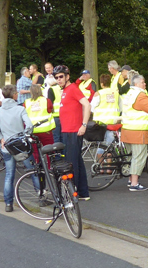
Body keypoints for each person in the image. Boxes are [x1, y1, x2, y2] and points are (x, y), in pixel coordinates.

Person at [0, 85, 33, 212]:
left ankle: (8, 204)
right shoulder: (20, 109)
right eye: (16, 93)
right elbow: (29, 125)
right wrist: (25, 135)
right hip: (21, 145)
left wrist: (1, 137)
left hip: (7, 146)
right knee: (32, 169)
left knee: (9, 175)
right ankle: (41, 194)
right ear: (14, 95)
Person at [55, 65, 92, 201]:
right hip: (67, 130)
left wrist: (84, 124)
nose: (58, 79)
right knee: (77, 161)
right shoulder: (65, 90)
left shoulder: (72, 89)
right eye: (56, 77)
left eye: (61, 77)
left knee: (71, 163)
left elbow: (87, 104)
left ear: (67, 77)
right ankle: (83, 192)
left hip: (73, 131)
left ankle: (72, 192)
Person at [121, 74, 148, 191]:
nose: (145, 84)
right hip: (138, 130)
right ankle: (134, 183)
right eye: (143, 82)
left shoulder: (129, 93)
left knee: (131, 156)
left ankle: (130, 180)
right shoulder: (140, 95)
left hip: (127, 129)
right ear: (137, 84)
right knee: (139, 157)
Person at [91, 74, 120, 158]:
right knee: (110, 145)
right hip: (113, 123)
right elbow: (120, 106)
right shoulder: (115, 93)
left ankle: (100, 165)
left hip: (101, 123)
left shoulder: (98, 93)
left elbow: (92, 107)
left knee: (101, 145)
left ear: (101, 84)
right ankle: (108, 168)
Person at [24, 85, 55, 149]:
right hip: (46, 130)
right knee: (48, 150)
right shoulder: (46, 101)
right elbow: (50, 110)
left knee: (35, 151)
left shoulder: (26, 102)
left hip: (32, 131)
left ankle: (37, 159)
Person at [44, 76, 64, 145]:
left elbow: (50, 104)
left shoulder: (51, 89)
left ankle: (58, 155)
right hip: (64, 115)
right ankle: (65, 154)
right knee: (64, 137)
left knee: (56, 137)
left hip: (55, 116)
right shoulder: (63, 88)